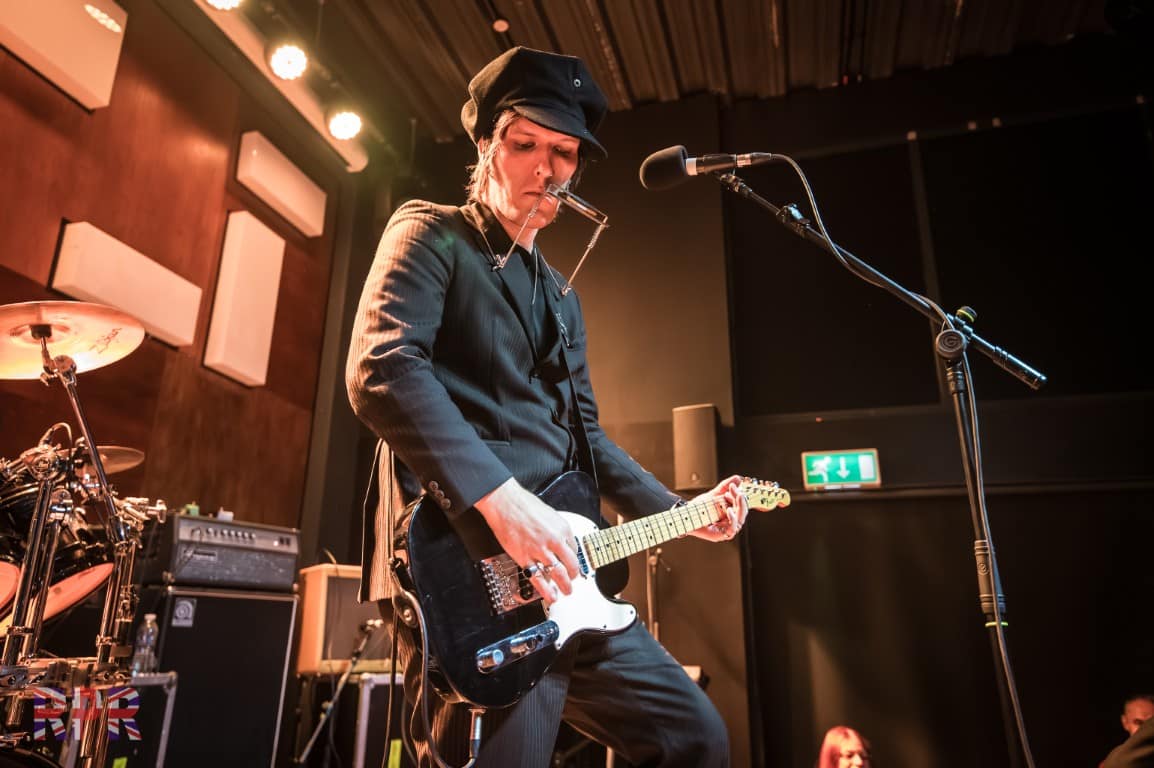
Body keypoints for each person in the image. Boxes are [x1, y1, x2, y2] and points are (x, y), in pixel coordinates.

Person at [346, 46, 749, 767]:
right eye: (524, 144)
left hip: (569, 579)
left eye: (563, 152)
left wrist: (683, 510)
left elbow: (586, 437)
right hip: (475, 572)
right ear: (485, 148)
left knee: (697, 739)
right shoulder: (430, 233)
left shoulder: (564, 299)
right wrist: (505, 504)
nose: (545, 167)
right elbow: (383, 368)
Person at [1102, 695, 1154, 768]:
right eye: (1138, 722)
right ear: (1125, 722)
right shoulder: (1113, 762)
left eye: (1150, 723)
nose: (1144, 728)